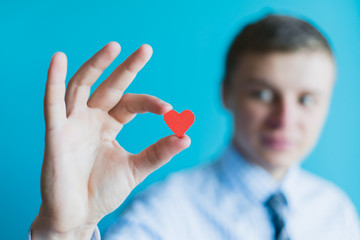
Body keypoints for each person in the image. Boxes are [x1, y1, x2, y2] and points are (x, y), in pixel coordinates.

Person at [28, 14, 360, 240]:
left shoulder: (338, 213)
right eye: (262, 94)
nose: (284, 118)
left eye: (306, 99)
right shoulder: (163, 215)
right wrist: (63, 232)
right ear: (226, 93)